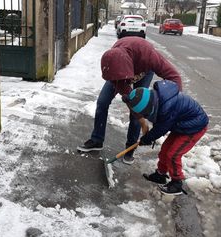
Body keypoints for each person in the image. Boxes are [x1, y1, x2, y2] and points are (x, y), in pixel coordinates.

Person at [77, 36, 182, 165]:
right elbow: (128, 96)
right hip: (119, 70)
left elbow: (174, 77)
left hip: (144, 72)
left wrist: (173, 106)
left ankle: (130, 149)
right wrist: (142, 121)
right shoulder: (114, 60)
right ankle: (97, 140)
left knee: (138, 108)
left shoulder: (149, 56)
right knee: (102, 102)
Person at [124, 80, 209, 195]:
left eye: (145, 115)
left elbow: (160, 128)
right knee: (165, 150)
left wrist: (147, 138)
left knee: (173, 154)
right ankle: (161, 174)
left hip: (193, 129)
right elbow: (160, 125)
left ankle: (177, 182)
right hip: (180, 125)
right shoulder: (159, 101)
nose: (145, 117)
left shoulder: (166, 109)